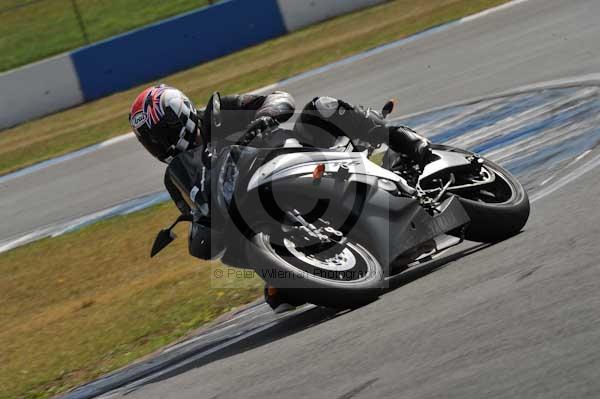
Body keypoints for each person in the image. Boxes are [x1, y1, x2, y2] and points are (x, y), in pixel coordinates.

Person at [128, 84, 431, 312]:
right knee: (280, 298)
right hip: (253, 207)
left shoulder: (218, 113)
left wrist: (263, 117)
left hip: (291, 156)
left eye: (161, 132)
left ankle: (400, 137)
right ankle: (341, 252)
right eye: (150, 140)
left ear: (179, 115)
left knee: (322, 107)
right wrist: (199, 231)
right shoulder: (175, 178)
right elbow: (198, 212)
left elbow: (278, 98)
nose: (159, 143)